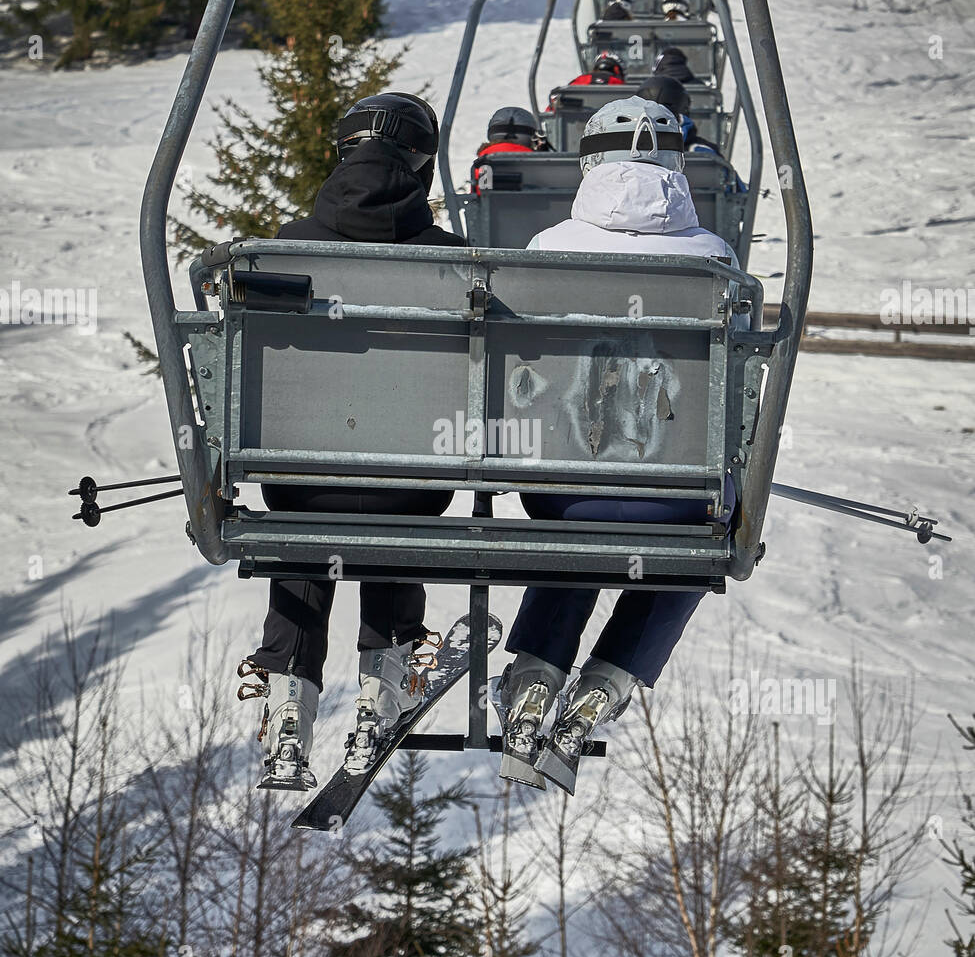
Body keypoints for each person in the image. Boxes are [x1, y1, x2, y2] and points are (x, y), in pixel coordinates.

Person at [493, 96, 739, 795]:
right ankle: (603, 686)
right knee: (690, 549)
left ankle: (536, 677)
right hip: (677, 491)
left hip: (562, 483)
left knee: (580, 532)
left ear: (588, 159)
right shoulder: (714, 260)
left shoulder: (548, 250)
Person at [236, 93, 463, 790]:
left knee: (307, 519)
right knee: (396, 502)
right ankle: (379, 697)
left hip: (299, 479)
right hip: (411, 485)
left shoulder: (282, 251)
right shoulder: (458, 263)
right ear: (422, 164)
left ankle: (285, 714)